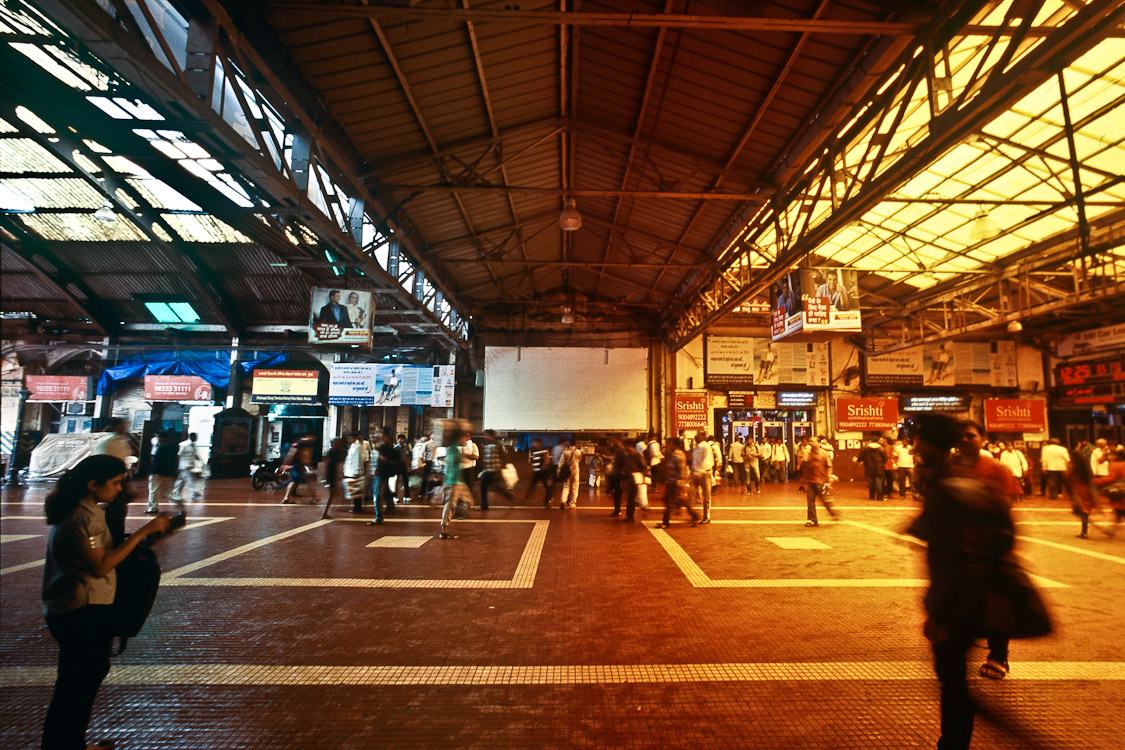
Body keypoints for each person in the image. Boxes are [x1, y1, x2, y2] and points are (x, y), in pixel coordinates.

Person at [40, 455, 172, 750]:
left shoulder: (84, 513)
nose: (117, 489)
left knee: (80, 684)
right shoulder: (82, 519)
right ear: (92, 484)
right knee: (76, 689)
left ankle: (71, 743)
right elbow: (100, 566)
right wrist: (143, 532)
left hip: (80, 609)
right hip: (81, 612)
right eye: (114, 483)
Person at [906, 413, 1017, 750]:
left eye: (919, 439)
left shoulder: (948, 489)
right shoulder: (957, 482)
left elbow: (954, 558)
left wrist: (940, 614)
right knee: (953, 683)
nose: (914, 446)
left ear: (931, 443)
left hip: (958, 606)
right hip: (967, 601)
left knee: (953, 684)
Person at [656, 437, 700, 528]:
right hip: (672, 481)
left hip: (675, 482)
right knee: (677, 501)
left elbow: (682, 470)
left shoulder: (679, 455)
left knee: (668, 501)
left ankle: (665, 522)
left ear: (675, 444)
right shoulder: (673, 454)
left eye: (671, 443)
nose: (669, 445)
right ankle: (695, 516)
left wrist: (681, 483)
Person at [438, 421, 470, 539]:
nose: (465, 440)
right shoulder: (452, 449)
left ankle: (457, 513)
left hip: (458, 482)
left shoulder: (454, 449)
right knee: (450, 505)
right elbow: (454, 463)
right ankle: (444, 530)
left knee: (468, 502)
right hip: (453, 482)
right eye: (464, 437)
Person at [1063, 449, 1102, 539]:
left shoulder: (1075, 465)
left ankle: (1084, 532)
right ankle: (1084, 530)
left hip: (1079, 488)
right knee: (1084, 510)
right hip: (1086, 488)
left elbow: (1069, 476)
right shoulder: (1084, 465)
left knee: (1082, 510)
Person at [366, 427, 400, 525]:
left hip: (382, 472)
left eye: (379, 432)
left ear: (383, 434)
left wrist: (379, 453)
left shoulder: (384, 446)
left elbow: (384, 459)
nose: (377, 434)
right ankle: (390, 507)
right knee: (385, 492)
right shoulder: (389, 444)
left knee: (377, 495)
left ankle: (379, 517)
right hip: (384, 472)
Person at [802, 438, 838, 527]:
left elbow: (829, 466)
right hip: (810, 481)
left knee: (824, 500)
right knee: (810, 501)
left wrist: (828, 477)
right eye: (809, 441)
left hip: (820, 481)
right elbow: (805, 467)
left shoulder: (824, 453)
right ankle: (812, 520)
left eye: (812, 441)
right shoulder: (808, 453)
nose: (810, 442)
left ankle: (834, 514)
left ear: (818, 443)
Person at [1092, 448, 1125, 537]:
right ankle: (1112, 530)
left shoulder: (1116, 464)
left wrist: (1095, 481)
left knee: (1120, 510)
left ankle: (1112, 530)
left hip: (1121, 491)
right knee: (1119, 512)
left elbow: (1111, 478)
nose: (1110, 456)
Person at [476, 430, 512, 511]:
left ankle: (484, 505)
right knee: (494, 487)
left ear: (491, 436)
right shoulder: (486, 444)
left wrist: (503, 465)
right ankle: (508, 497)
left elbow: (504, 455)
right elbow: (485, 457)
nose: (486, 437)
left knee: (484, 486)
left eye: (487, 435)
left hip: (494, 470)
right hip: (488, 470)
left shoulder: (497, 444)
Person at [146, 432, 179, 515]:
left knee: (154, 491)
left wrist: (153, 472)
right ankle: (180, 501)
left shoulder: (160, 447)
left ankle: (152, 508)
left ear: (161, 437)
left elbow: (156, 460)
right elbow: (175, 460)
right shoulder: (174, 446)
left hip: (157, 473)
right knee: (169, 491)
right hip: (169, 473)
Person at [281, 436, 317, 505]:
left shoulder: (301, 444)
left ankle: (286, 498)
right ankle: (313, 499)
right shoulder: (301, 444)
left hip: (296, 465)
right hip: (296, 466)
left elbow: (292, 454)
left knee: (293, 481)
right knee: (305, 481)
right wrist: (285, 464)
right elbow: (292, 454)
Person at [690, 431, 714, 524]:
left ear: (703, 437)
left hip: (705, 474)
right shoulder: (696, 447)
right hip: (695, 474)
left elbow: (707, 462)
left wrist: (698, 472)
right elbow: (694, 462)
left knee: (707, 496)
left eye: (699, 434)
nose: (696, 436)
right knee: (690, 495)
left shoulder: (706, 447)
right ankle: (693, 515)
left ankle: (706, 517)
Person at [170, 432, 201, 503]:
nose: (196, 438)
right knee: (190, 479)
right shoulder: (184, 444)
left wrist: (200, 461)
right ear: (191, 437)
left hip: (190, 465)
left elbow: (195, 455)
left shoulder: (194, 445)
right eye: (195, 437)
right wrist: (178, 465)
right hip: (184, 465)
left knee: (181, 480)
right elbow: (179, 455)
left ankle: (174, 492)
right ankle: (194, 493)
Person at [321, 437, 347, 520]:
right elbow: (327, 465)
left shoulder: (335, 452)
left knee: (333, 494)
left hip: (333, 475)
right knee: (332, 494)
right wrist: (325, 477)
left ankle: (326, 512)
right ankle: (325, 513)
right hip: (331, 476)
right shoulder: (332, 452)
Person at [855, 436, 887, 501]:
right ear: (877, 441)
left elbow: (861, 457)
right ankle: (880, 497)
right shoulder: (881, 448)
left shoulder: (865, 448)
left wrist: (858, 461)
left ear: (871, 440)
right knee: (879, 482)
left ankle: (871, 496)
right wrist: (881, 464)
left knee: (871, 482)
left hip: (869, 468)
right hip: (879, 468)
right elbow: (885, 458)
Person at [525, 439, 554, 507]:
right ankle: (526, 498)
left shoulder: (543, 450)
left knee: (545, 486)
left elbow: (547, 460)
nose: (533, 444)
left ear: (539, 443)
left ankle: (548, 499)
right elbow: (534, 461)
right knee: (532, 485)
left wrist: (544, 467)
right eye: (533, 443)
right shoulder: (534, 451)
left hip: (542, 472)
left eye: (535, 443)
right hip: (536, 472)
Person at [343, 431, 367, 513]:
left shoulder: (357, 447)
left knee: (356, 490)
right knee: (354, 489)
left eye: (350, 438)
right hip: (350, 470)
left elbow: (357, 459)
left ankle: (357, 508)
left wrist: (356, 471)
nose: (349, 440)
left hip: (354, 471)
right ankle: (355, 506)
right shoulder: (353, 446)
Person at [557, 441, 582, 509]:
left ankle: (563, 500)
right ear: (576, 443)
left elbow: (561, 462)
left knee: (566, 486)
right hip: (575, 471)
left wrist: (558, 471)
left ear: (569, 443)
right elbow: (579, 460)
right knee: (575, 486)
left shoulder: (565, 451)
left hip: (567, 471)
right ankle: (572, 503)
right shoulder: (578, 452)